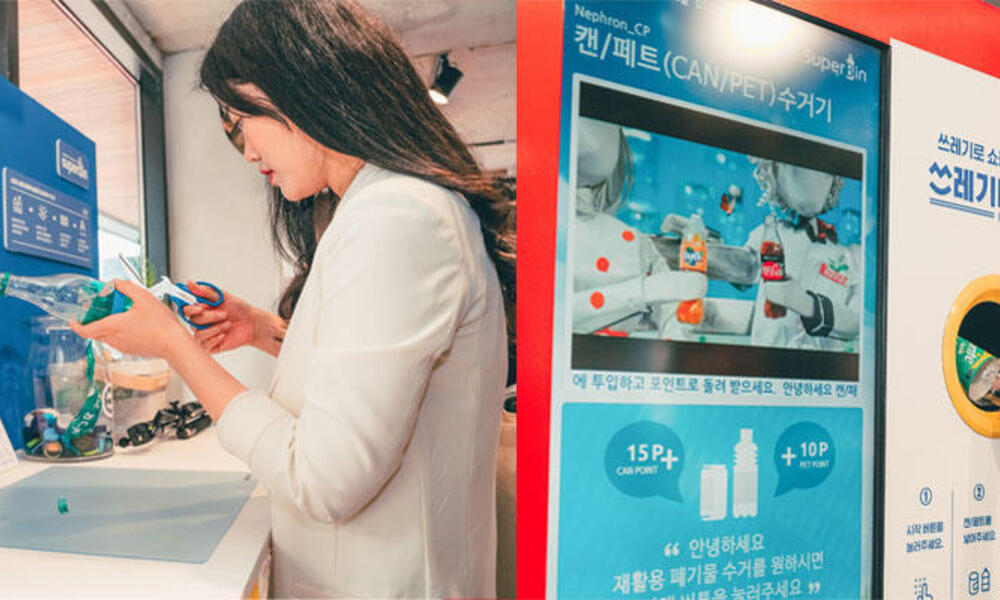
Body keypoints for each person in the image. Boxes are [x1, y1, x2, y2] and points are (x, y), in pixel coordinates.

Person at [70, 1, 514, 597]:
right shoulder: (394, 208)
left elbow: (323, 480)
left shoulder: (397, 217)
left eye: (239, 120)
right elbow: (383, 375)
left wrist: (176, 347)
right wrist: (262, 329)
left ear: (292, 89)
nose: (248, 153)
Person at [572, 117, 706, 335]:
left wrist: (678, 324)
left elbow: (671, 310)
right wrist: (641, 292)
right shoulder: (544, 231)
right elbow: (549, 317)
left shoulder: (634, 241)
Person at [744, 158, 860, 351]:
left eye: (823, 174)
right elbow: (745, 268)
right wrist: (705, 253)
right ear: (772, 175)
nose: (811, 182)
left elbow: (856, 324)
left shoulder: (851, 257)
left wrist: (805, 303)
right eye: (796, 171)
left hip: (825, 371)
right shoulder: (770, 235)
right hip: (765, 363)